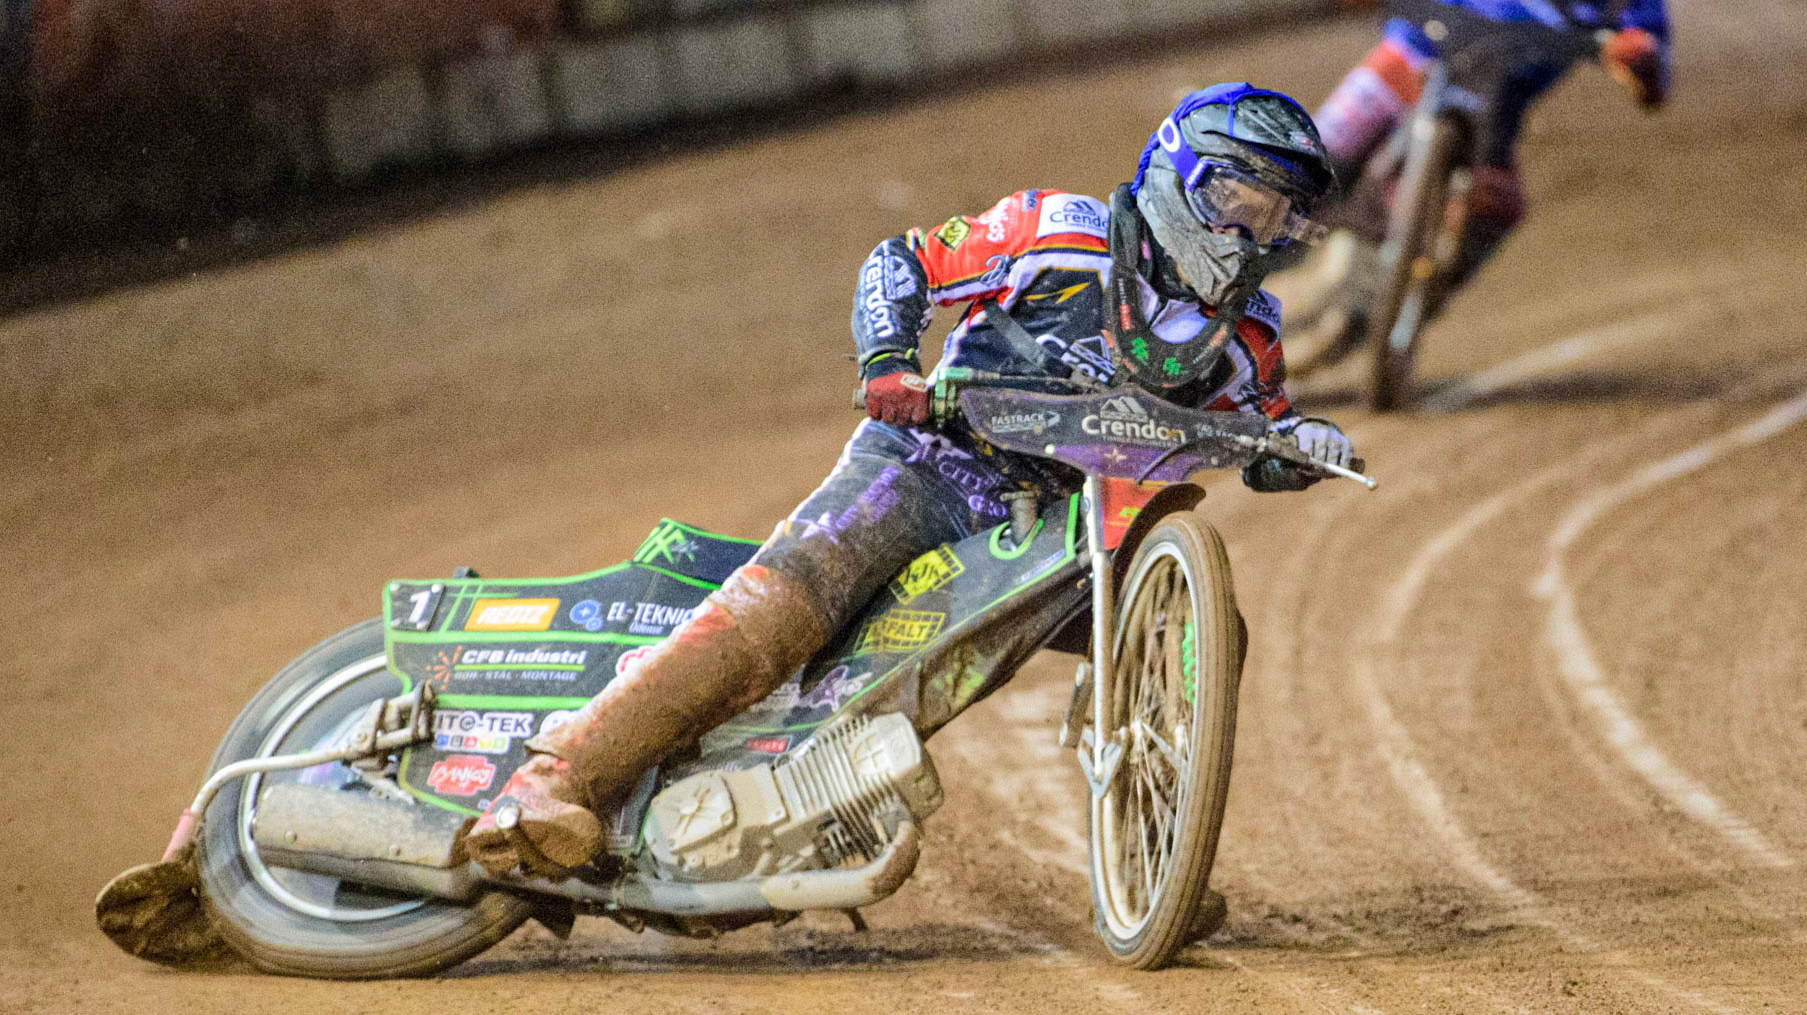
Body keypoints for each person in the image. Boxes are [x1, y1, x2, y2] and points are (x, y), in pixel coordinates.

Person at [463, 84, 1357, 877]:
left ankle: (1160, 856)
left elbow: (1261, 428)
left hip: (1062, 533)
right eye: (1237, 200)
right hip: (927, 466)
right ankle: (550, 780)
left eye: (1277, 219)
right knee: (784, 612)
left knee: (1198, 631)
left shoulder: (1253, 336)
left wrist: (1293, 448)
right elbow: (907, 261)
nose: (1251, 235)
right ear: (1178, 176)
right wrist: (890, 357)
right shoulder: (1058, 231)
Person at [1274, 0, 1671, 368]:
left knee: (1496, 206)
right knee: (1307, 158)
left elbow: (1654, 67)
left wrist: (1641, 64)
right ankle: (1202, 274)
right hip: (1412, 58)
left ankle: (1403, 306)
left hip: (1499, 104)